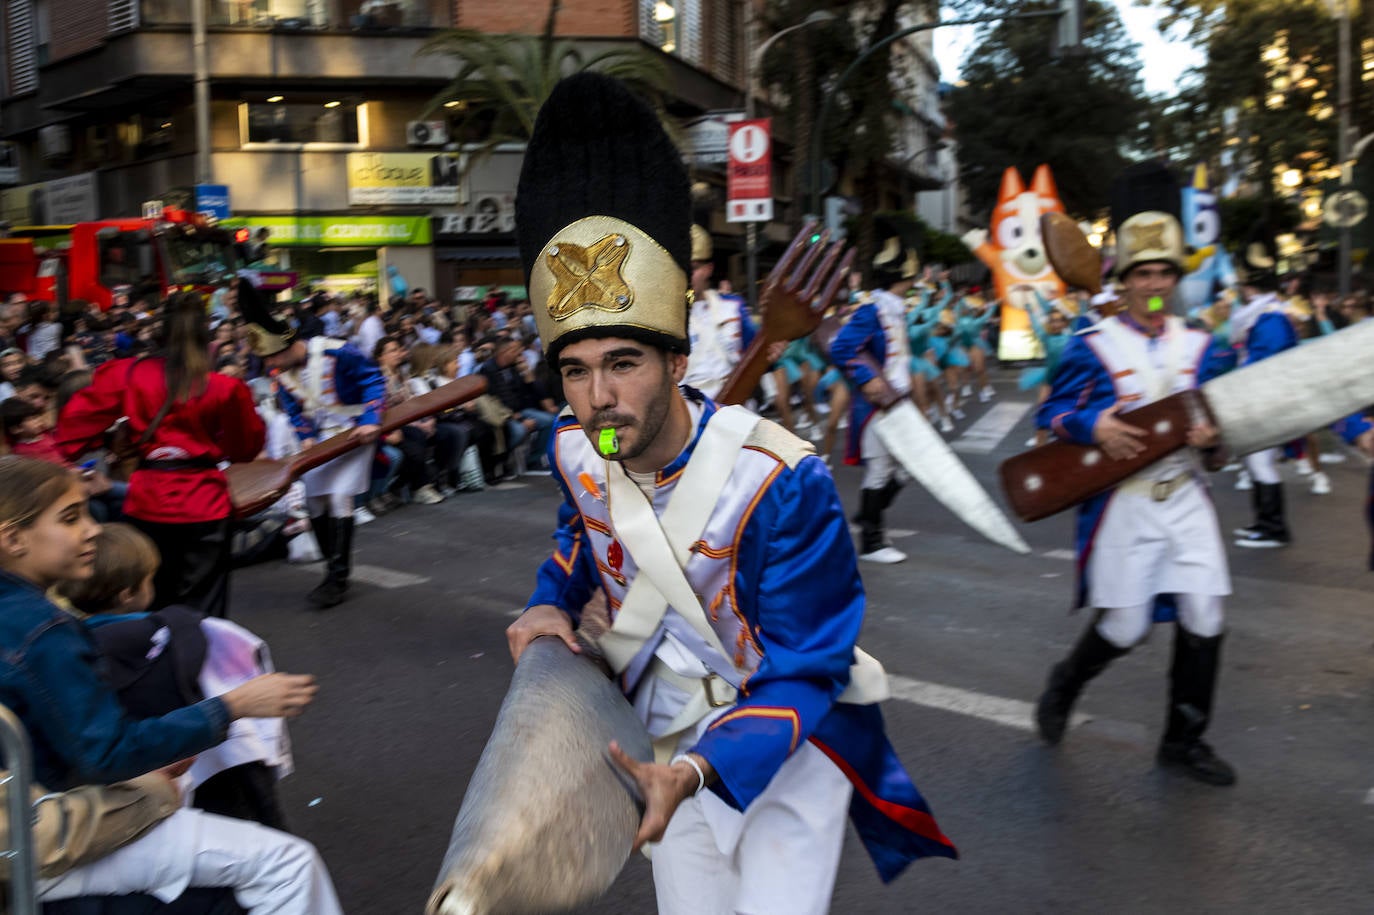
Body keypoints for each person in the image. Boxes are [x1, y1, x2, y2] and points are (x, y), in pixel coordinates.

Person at [504, 73, 954, 915]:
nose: (598, 397)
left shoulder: (782, 481)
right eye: (576, 369)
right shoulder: (574, 446)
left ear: (678, 361)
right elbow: (581, 533)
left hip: (783, 745)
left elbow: (807, 662)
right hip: (659, 736)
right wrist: (549, 602)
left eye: (623, 363)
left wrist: (700, 767)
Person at [1033, 161, 1236, 786]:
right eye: (1142, 273)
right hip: (1124, 502)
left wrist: (1213, 445)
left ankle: (1183, 739)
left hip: (1187, 499)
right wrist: (1093, 425)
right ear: (1123, 279)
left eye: (1163, 273)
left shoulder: (1205, 347)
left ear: (1176, 279)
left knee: (1207, 616)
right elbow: (1052, 413)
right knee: (1126, 625)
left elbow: (1227, 439)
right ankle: (1065, 682)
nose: (1153, 283)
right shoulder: (1092, 346)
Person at [0, 456, 318, 791]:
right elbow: (106, 755)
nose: (92, 529)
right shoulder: (46, 633)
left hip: (25, 793)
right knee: (286, 848)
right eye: (70, 518)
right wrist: (234, 705)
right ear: (14, 539)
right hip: (42, 810)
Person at [55, 291, 266, 618]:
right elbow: (246, 448)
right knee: (204, 606)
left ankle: (157, 662)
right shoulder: (225, 387)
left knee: (149, 598)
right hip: (204, 502)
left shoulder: (127, 373)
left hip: (147, 499)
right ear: (205, 333)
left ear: (160, 330)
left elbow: (74, 425)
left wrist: (98, 448)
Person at [239, 278, 384, 609]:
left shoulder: (337, 350)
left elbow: (373, 379)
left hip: (353, 431)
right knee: (316, 501)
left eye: (273, 358)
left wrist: (371, 420)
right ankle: (330, 568)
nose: (270, 367)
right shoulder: (282, 374)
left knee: (338, 498)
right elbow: (294, 410)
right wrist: (304, 437)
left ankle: (337, 578)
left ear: (288, 346)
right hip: (320, 443)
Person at [829, 220, 924, 564]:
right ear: (903, 276)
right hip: (877, 406)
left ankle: (868, 516)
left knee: (906, 470)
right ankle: (871, 542)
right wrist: (868, 380)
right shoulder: (872, 309)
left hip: (899, 403)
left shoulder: (895, 310)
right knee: (882, 471)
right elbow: (841, 348)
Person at [1229, 224, 1300, 549]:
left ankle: (1274, 528)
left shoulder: (1270, 317)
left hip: (1269, 400)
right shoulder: (1265, 314)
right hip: (1264, 399)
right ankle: (1263, 524)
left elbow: (1262, 364)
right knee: (1256, 462)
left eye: (1243, 283)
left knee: (1260, 462)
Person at [680, 224, 756, 399]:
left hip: (735, 407)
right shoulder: (662, 316)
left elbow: (754, 354)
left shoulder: (732, 307)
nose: (686, 276)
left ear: (708, 269)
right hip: (688, 412)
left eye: (693, 268)